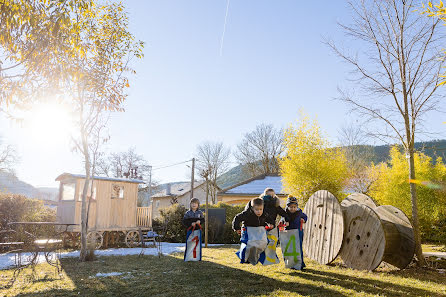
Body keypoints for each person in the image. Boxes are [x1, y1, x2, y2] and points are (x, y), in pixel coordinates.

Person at [280, 195, 308, 269]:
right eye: (291, 207)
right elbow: (281, 221)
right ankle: (290, 263)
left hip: (298, 232)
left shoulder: (299, 213)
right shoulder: (285, 214)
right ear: (287, 207)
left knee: (298, 248)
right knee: (289, 248)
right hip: (288, 233)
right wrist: (284, 223)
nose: (293, 208)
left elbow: (305, 217)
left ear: (297, 207)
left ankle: (300, 263)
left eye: (294, 207)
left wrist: (304, 220)